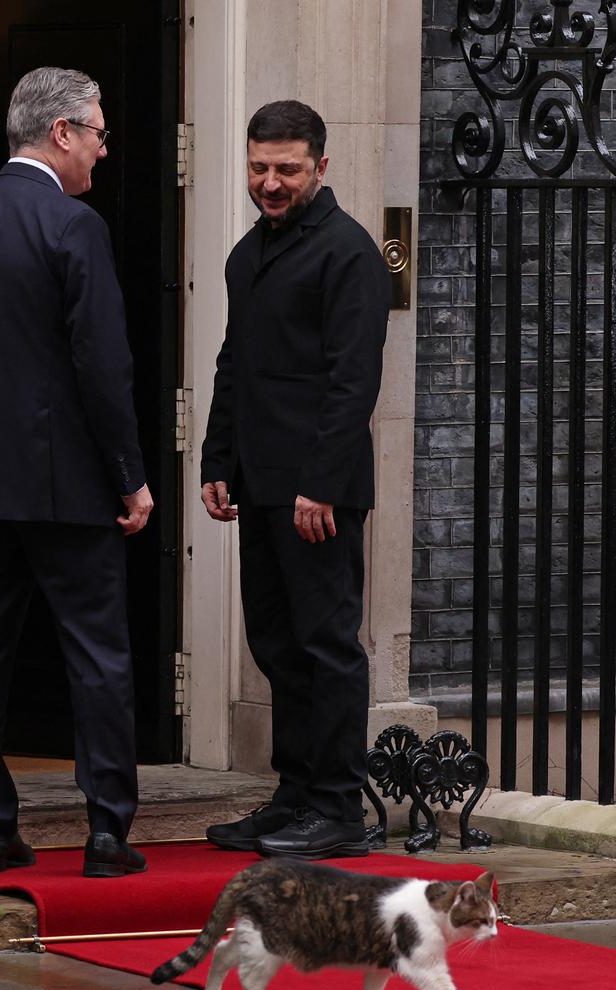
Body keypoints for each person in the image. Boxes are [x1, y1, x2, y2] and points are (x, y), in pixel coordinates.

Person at [0, 66, 154, 879]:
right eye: (95, 133)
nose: (101, 150)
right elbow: (102, 364)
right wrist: (130, 475)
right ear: (59, 133)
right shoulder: (73, 224)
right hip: (65, 485)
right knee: (96, 654)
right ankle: (105, 833)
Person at [200, 100, 389, 860]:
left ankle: (338, 807)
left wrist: (319, 485)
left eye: (286, 169)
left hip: (320, 493)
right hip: (260, 483)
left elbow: (353, 381)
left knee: (325, 643)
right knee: (276, 643)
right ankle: (295, 794)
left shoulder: (347, 254)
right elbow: (232, 365)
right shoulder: (247, 255)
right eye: (258, 167)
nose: (269, 182)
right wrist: (217, 462)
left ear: (320, 165)